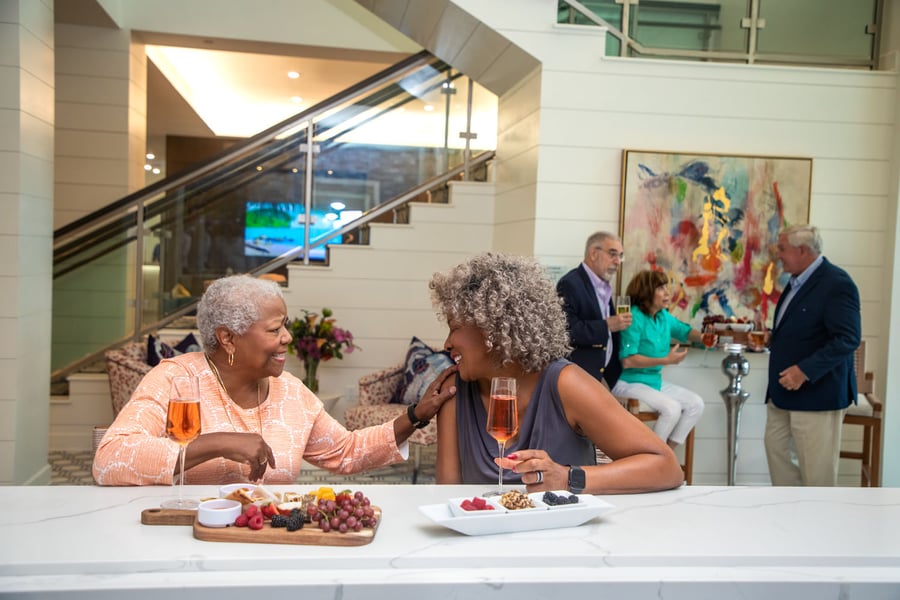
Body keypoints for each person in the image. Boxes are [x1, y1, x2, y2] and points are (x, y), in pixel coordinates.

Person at [93, 275, 457, 486]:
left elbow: (346, 451)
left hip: (269, 540)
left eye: (285, 325)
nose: (287, 337)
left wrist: (415, 415)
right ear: (228, 337)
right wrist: (216, 443)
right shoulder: (175, 379)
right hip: (186, 546)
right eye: (274, 329)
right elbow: (111, 459)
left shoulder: (291, 393)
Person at [430, 252, 684, 494]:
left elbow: (666, 467)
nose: (447, 343)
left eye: (455, 328)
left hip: (567, 537)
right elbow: (448, 494)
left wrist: (566, 478)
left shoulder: (566, 384)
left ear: (493, 329)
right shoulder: (454, 390)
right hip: (483, 538)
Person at [765, 224, 861, 486]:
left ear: (803, 250)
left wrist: (804, 371)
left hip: (817, 395)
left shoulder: (837, 284)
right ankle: (789, 519)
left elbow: (847, 338)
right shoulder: (796, 281)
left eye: (783, 249)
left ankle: (818, 523)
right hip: (782, 394)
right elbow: (805, 328)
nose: (779, 255)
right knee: (777, 455)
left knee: (817, 475)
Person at [611, 269, 705, 450]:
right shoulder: (634, 316)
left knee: (696, 404)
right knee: (672, 408)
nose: (667, 293)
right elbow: (628, 361)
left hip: (653, 382)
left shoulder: (662, 316)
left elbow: (684, 331)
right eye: (661, 288)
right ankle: (652, 459)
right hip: (628, 381)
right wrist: (666, 360)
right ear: (647, 291)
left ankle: (666, 455)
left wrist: (706, 337)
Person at [556, 231, 632, 390]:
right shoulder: (571, 284)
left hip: (601, 376)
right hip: (578, 376)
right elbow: (567, 330)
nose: (618, 261)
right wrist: (607, 326)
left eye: (620, 256)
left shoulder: (604, 286)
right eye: (612, 254)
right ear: (593, 253)